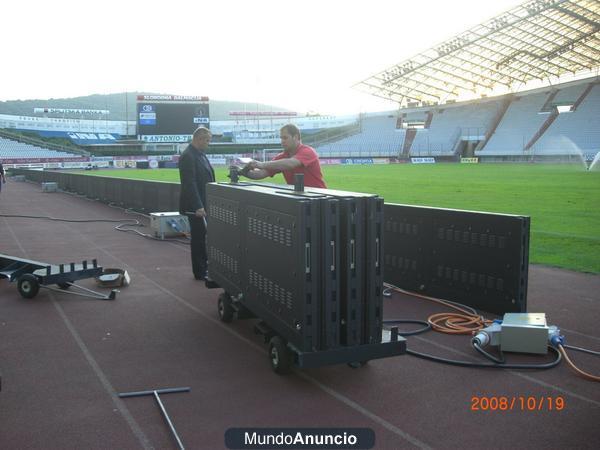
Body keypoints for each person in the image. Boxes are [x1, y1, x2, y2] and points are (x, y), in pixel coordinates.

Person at [178, 127, 215, 280]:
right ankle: (200, 272)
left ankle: (204, 267)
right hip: (196, 207)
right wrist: (198, 205)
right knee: (199, 238)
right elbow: (189, 183)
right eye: (207, 140)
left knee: (202, 237)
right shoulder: (188, 156)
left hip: (203, 203)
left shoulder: (199, 154)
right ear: (198, 139)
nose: (208, 143)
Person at [241, 123, 326, 188]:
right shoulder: (282, 157)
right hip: (300, 199)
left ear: (295, 137)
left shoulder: (308, 151)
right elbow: (261, 174)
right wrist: (241, 172)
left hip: (320, 199)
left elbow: (291, 163)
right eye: (281, 138)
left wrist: (261, 164)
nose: (282, 141)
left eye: (285, 138)